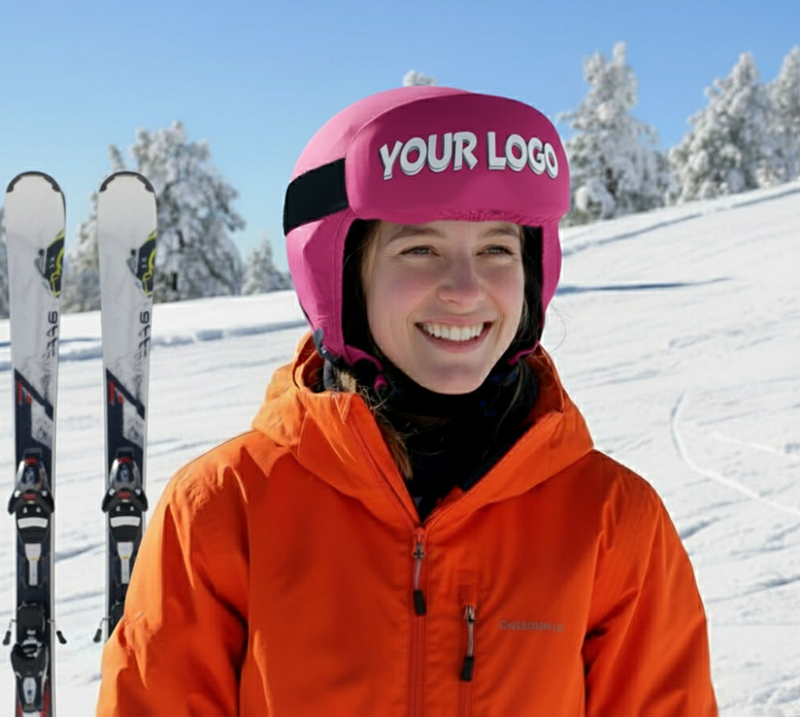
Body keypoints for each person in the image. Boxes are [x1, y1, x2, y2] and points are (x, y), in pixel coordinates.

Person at [97, 87, 718, 716]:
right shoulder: (223, 511)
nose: (465, 289)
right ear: (342, 276)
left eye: (496, 250)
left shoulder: (612, 523)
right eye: (419, 249)